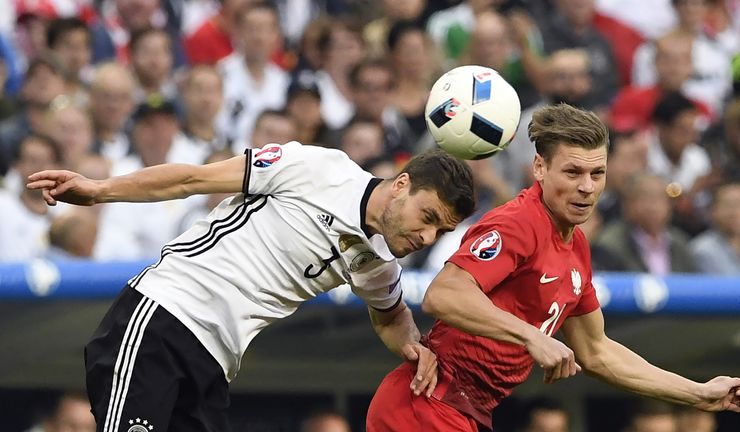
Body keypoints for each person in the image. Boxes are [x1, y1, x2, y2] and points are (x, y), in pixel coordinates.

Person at [27, 142, 475, 431]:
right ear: (401, 185)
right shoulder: (319, 169)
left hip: (215, 366)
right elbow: (191, 179)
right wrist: (100, 189)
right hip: (162, 318)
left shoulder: (378, 266)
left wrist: (416, 349)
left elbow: (392, 315)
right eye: (429, 217)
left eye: (441, 231)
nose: (427, 237)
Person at [366, 103, 740, 432]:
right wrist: (532, 337)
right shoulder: (519, 222)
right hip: (424, 403)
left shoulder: (576, 248)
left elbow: (597, 351)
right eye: (572, 173)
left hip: (463, 411)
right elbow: (444, 293)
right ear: (539, 168)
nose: (587, 187)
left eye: (596, 174)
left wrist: (698, 393)